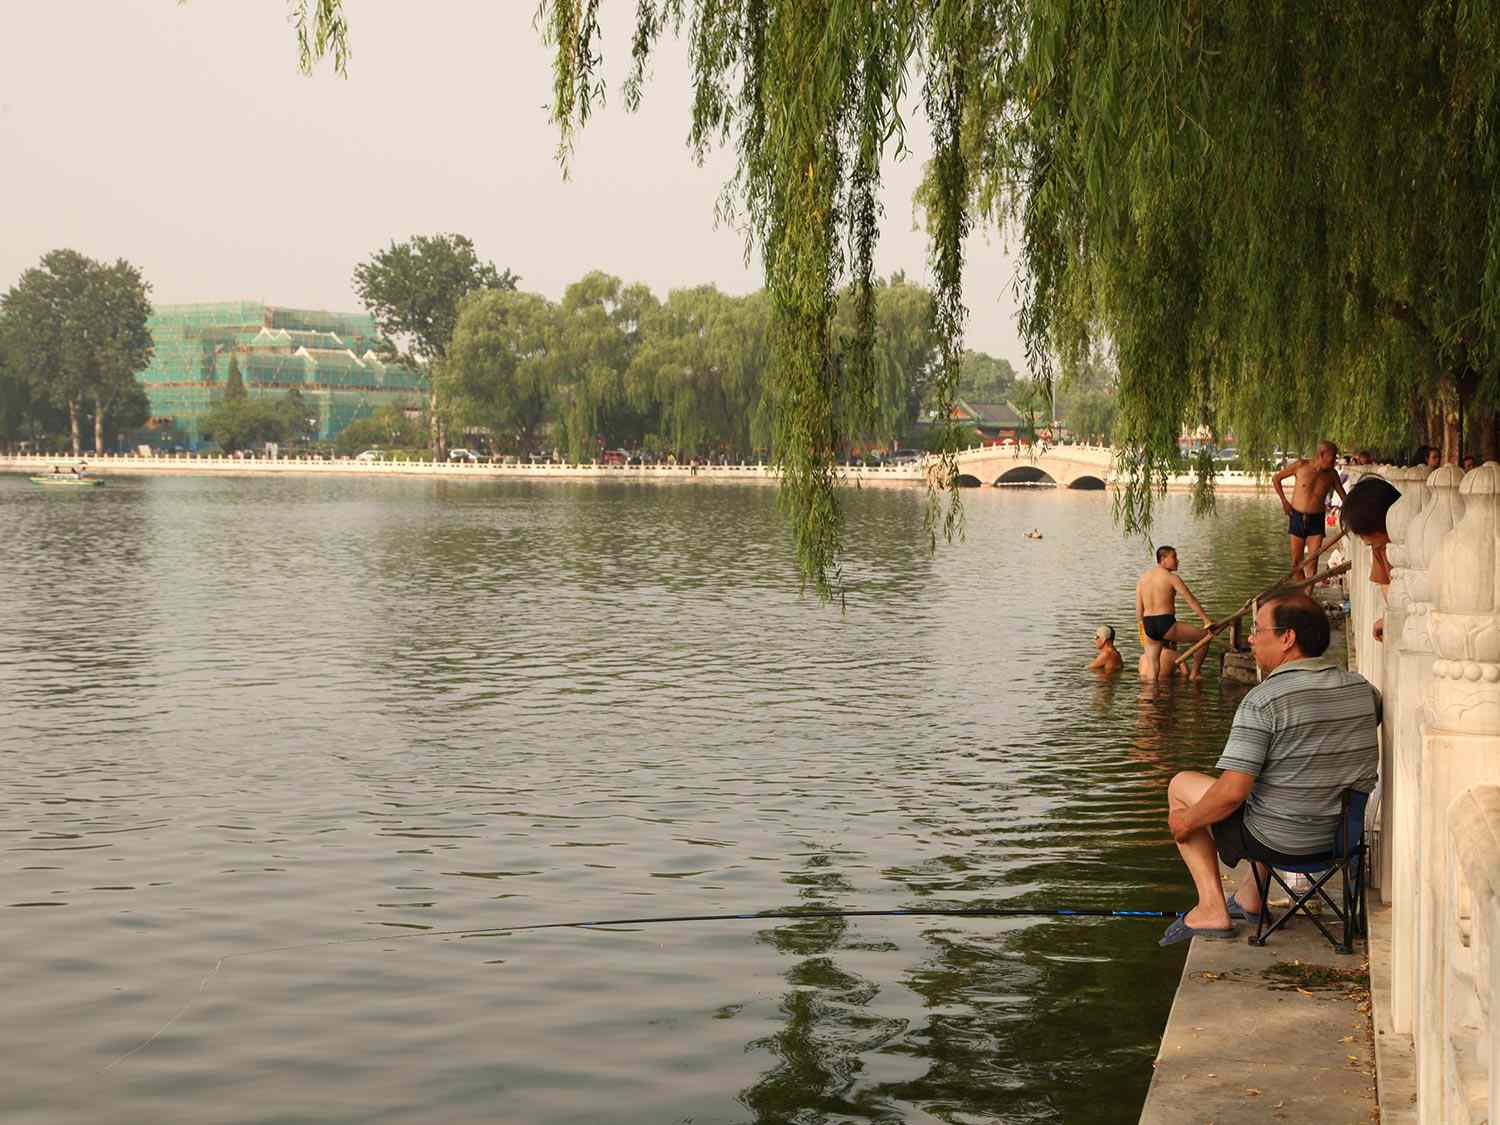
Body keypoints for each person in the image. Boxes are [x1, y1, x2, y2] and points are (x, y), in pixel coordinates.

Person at [1159, 594, 1380, 944]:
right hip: (1340, 839)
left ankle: (1212, 909)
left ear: (1287, 638)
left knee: (1182, 787)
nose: (1249, 638)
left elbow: (1231, 794)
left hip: (1283, 842)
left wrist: (1186, 822)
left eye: (1257, 629)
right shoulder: (1363, 690)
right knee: (1275, 786)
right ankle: (1250, 897)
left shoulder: (1264, 700)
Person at [1136, 546, 1214, 681]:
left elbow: (1138, 609)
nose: (1178, 561)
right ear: (1163, 559)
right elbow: (1191, 600)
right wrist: (1206, 620)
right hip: (1165, 622)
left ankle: (1148, 698)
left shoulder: (1142, 579)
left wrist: (1142, 630)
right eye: (1174, 557)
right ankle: (1194, 674)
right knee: (1204, 638)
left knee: (1153, 668)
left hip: (1147, 624)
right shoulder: (1171, 578)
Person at [1272, 440, 1347, 581]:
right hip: (1297, 517)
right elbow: (1276, 479)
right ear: (1322, 454)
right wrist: (1284, 502)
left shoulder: (1332, 475)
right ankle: (1303, 594)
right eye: (1333, 457)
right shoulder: (1301, 466)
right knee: (1296, 564)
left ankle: (1307, 597)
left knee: (1312, 563)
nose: (1335, 461)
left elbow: (1345, 498)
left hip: (1316, 520)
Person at [1342, 475, 1401, 642]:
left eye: (1367, 534)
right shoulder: (1378, 546)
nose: (1366, 542)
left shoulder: (1414, 542)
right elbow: (1385, 582)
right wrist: (1391, 617)